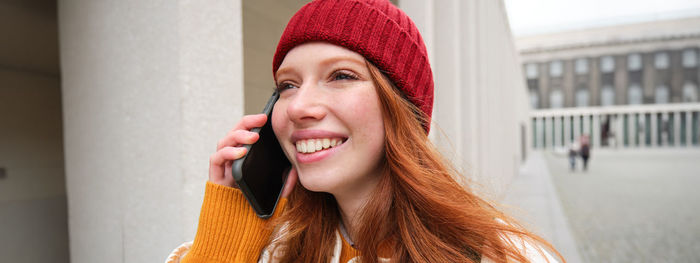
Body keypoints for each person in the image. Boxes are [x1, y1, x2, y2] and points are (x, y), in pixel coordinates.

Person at [167, 0, 563, 262]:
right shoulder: (274, 249)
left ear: (401, 109)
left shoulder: (501, 256)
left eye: (340, 75)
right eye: (287, 85)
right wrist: (227, 239)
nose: (300, 106)